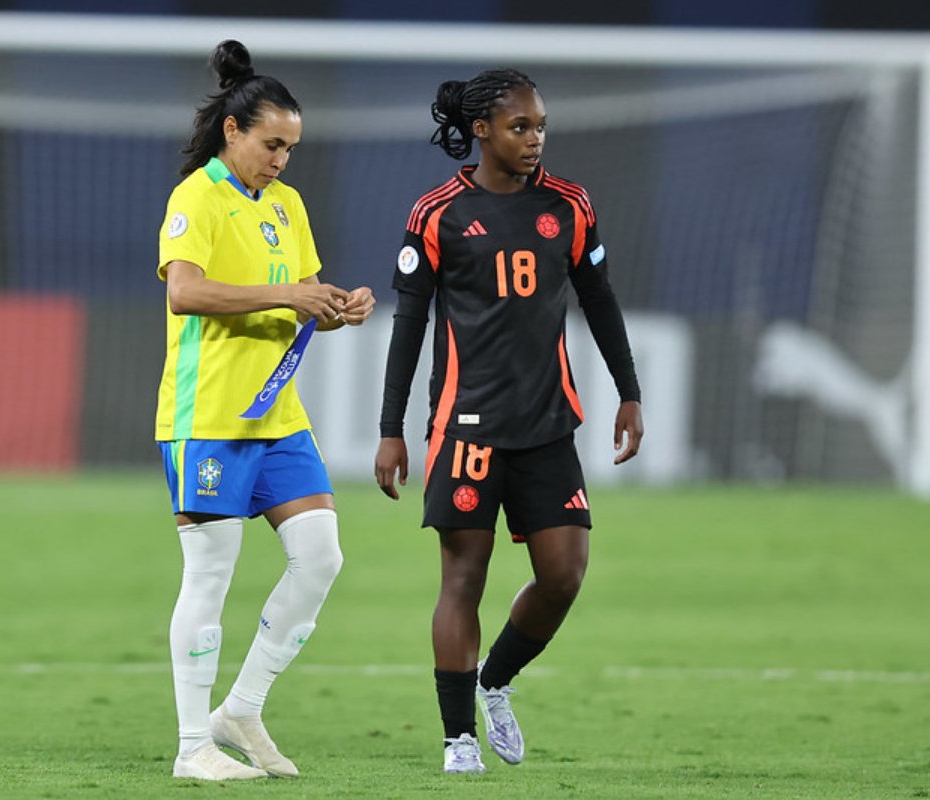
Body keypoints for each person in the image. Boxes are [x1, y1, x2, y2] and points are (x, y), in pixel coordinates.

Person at [374, 68, 643, 774]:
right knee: (463, 577)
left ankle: (494, 680)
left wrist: (630, 392)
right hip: (466, 428)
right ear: (483, 130)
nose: (534, 139)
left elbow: (600, 299)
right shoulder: (438, 213)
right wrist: (391, 427)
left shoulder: (570, 204)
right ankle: (458, 738)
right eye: (520, 127)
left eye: (540, 126)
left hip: (550, 423)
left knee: (565, 573)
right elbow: (408, 322)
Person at [156, 40, 374, 781]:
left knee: (321, 557)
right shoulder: (197, 198)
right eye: (272, 144)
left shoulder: (287, 205)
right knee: (210, 575)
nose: (282, 159)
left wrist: (338, 304)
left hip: (278, 416)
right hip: (209, 416)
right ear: (233, 132)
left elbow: (305, 289)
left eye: (291, 148)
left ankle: (241, 708)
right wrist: (287, 295)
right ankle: (193, 748)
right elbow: (184, 292)